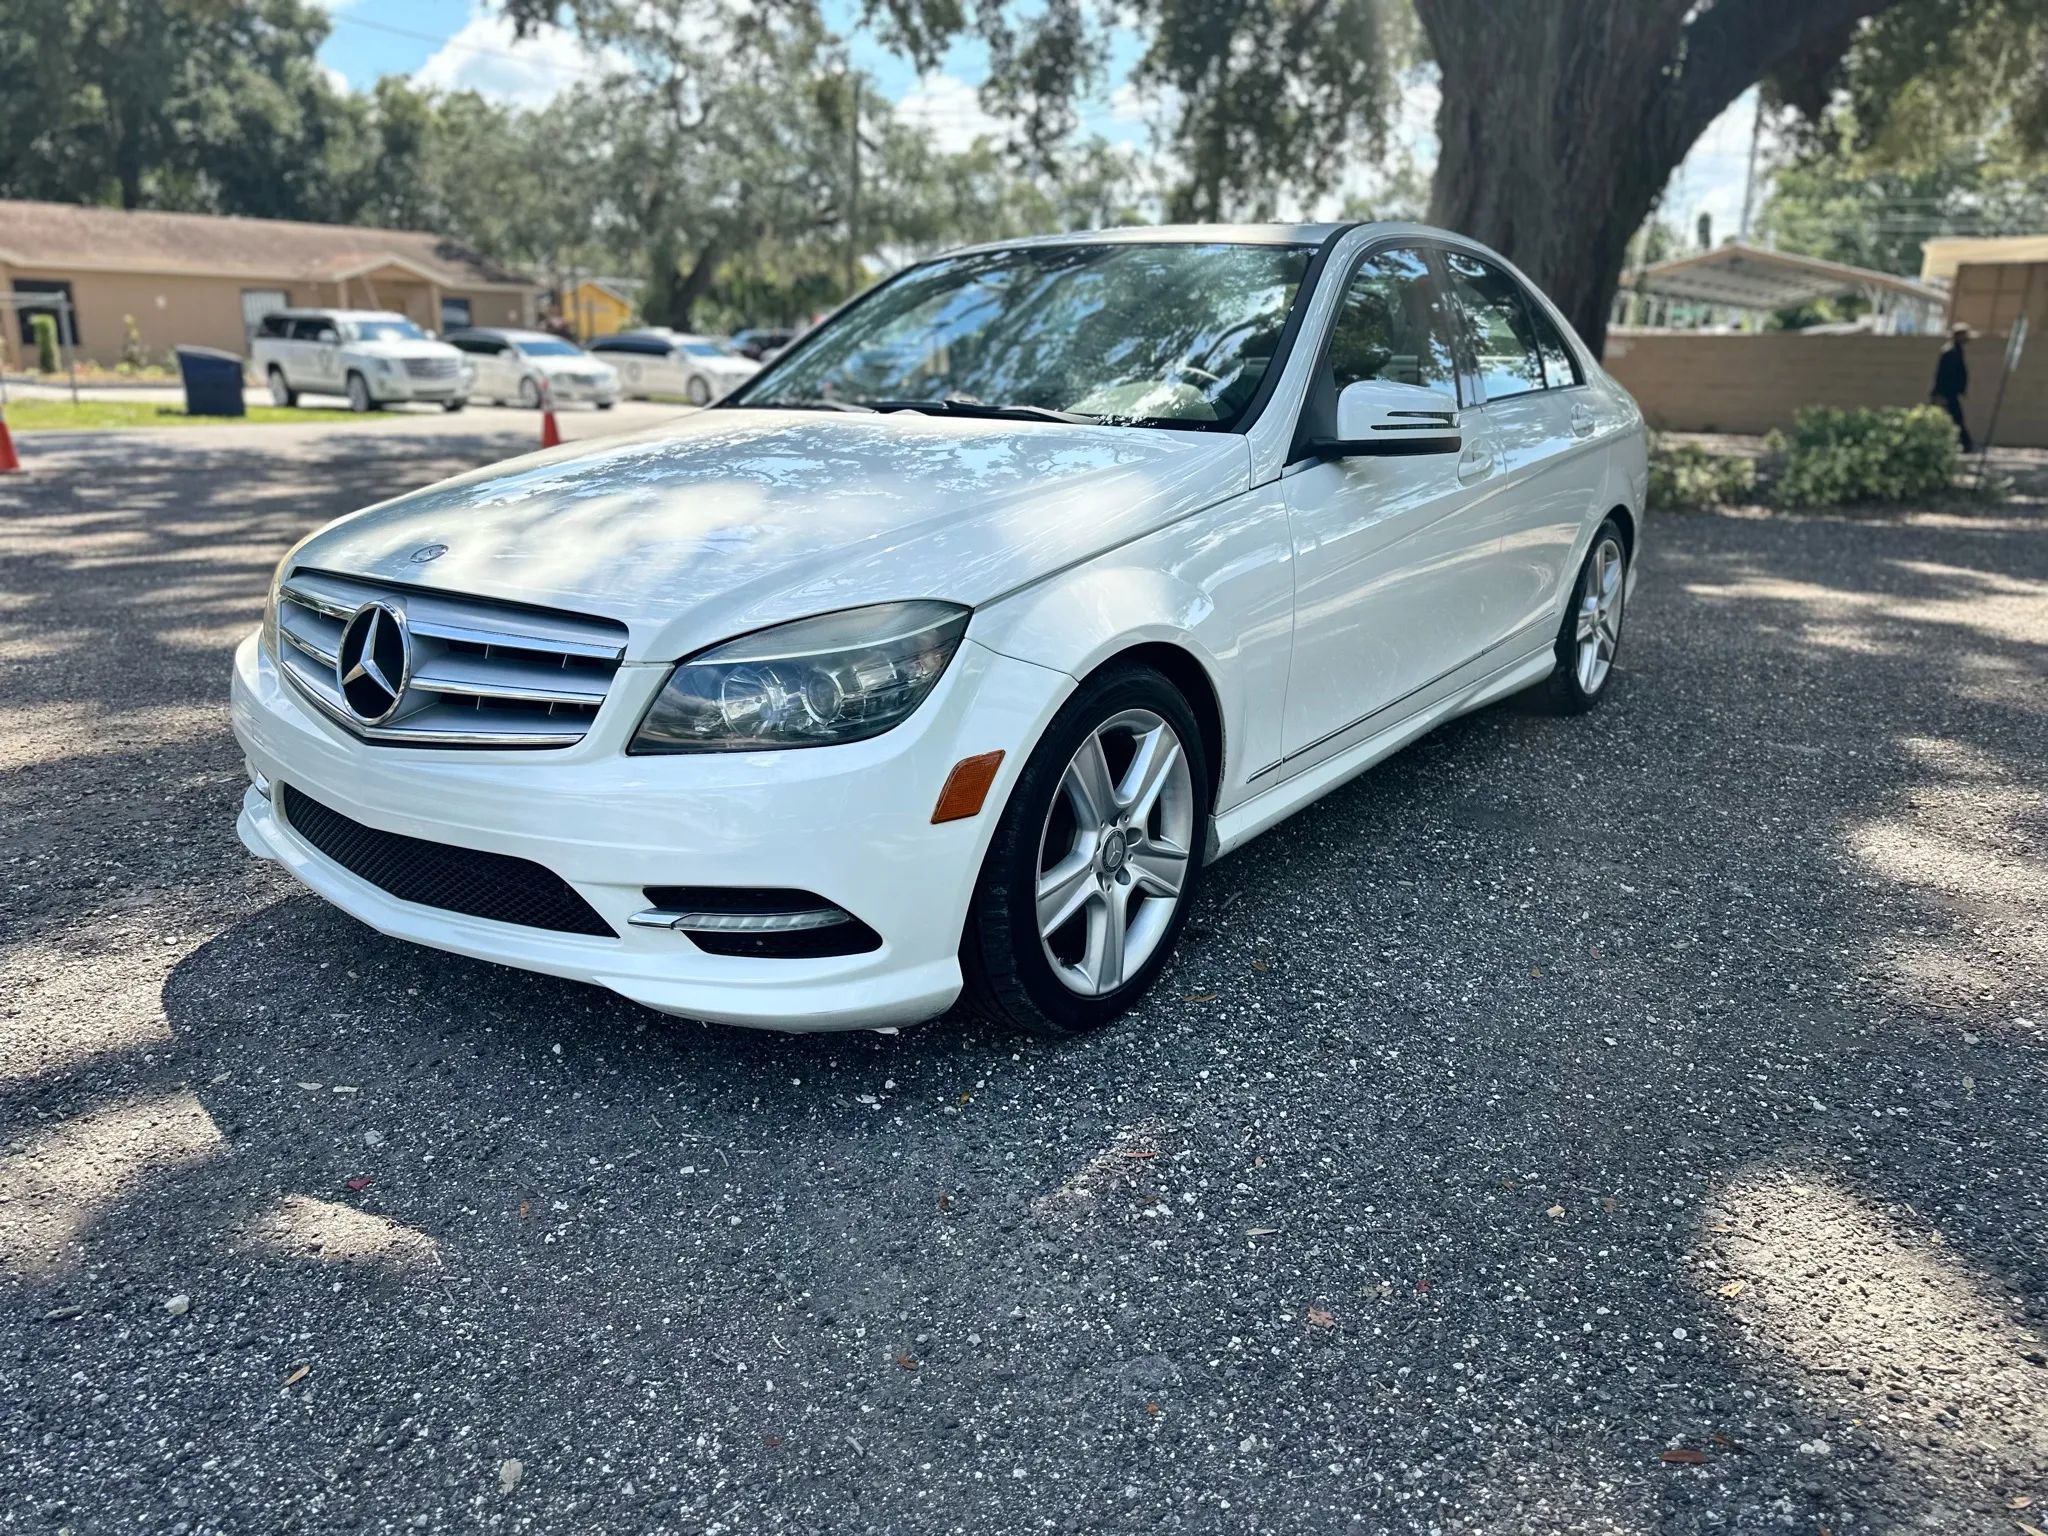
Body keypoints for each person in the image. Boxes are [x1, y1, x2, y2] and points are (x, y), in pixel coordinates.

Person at [1931, 322, 1974, 451]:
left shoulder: (1957, 351)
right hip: (1946, 393)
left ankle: (1962, 444)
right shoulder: (1950, 352)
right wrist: (1940, 394)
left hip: (1950, 393)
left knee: (1954, 419)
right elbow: (1943, 375)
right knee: (1952, 419)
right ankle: (1965, 444)